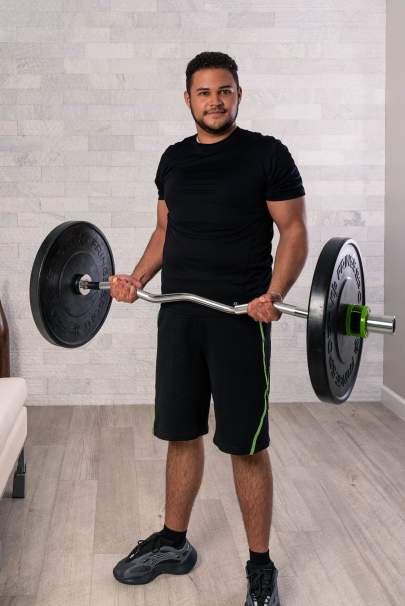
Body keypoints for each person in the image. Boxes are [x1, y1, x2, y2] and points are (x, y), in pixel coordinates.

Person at [109, 51, 308, 606]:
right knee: (180, 432)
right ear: (188, 99)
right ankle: (175, 542)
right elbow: (164, 232)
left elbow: (293, 232)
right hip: (179, 313)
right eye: (204, 92)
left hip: (240, 319)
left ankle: (261, 566)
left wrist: (275, 295)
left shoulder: (268, 155)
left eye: (224, 90)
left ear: (238, 95)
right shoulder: (173, 160)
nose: (215, 100)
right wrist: (135, 277)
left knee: (245, 445)